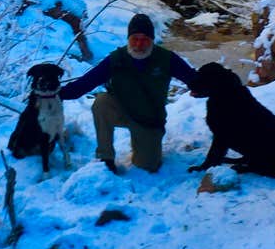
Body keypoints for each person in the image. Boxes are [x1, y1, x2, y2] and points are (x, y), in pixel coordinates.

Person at [59, 13, 198, 173]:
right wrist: (57, 93)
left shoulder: (167, 59)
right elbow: (86, 83)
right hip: (121, 111)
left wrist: (214, 86)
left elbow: (194, 79)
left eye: (145, 39)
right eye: (135, 38)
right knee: (101, 102)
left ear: (152, 40)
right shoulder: (116, 58)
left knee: (148, 166)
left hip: (149, 120)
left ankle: (143, 143)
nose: (139, 44)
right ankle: (106, 157)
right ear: (128, 39)